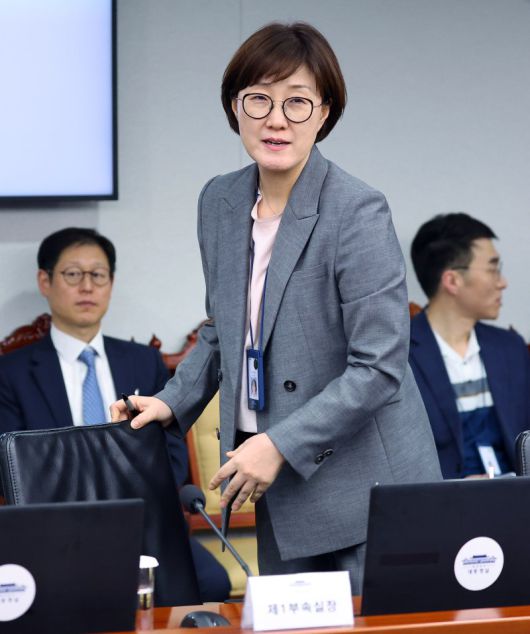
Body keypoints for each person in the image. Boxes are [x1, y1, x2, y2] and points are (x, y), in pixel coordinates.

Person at [111, 22, 441, 592]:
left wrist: (278, 444)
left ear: (324, 112)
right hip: (278, 483)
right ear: (234, 107)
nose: (277, 119)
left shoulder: (357, 210)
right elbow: (223, 330)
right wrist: (170, 402)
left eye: (297, 101)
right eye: (259, 99)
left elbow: (379, 366)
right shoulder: (219, 200)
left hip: (367, 491)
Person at [0, 227, 230, 602]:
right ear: (45, 281)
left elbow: (171, 458)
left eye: (98, 275)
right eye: (73, 274)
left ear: (111, 282)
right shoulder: (12, 373)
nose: (87, 287)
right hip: (55, 530)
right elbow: (10, 469)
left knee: (212, 582)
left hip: (140, 523)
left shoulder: (143, 362)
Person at [409, 213, 530, 479]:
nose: (503, 282)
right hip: (443, 501)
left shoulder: (510, 348)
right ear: (452, 281)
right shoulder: (401, 356)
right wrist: (456, 489)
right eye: (493, 269)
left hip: (518, 498)